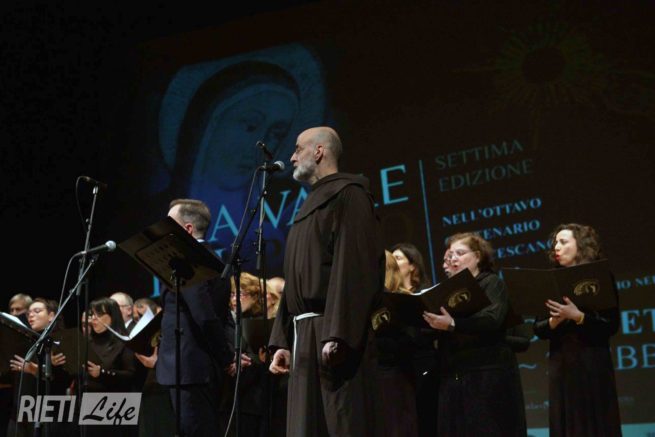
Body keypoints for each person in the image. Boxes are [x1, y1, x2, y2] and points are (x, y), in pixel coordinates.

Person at [268, 126, 384, 436]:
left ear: (319, 151)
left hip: (330, 334)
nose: (292, 157)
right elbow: (295, 279)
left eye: (298, 149)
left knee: (341, 423)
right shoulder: (310, 204)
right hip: (303, 336)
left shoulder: (349, 194)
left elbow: (354, 268)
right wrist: (282, 339)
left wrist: (339, 332)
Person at [423, 232, 526, 436]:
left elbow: (492, 319)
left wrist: (453, 324)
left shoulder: (491, 282)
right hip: (455, 376)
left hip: (486, 376)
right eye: (450, 255)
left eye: (460, 253)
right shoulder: (446, 291)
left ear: (477, 256)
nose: (453, 259)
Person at [156, 198, 235, 437]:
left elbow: (205, 315)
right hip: (196, 368)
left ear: (187, 229)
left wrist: (227, 358)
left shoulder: (190, 261)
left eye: (170, 224)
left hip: (189, 369)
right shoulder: (213, 260)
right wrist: (227, 354)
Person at [533, 224, 621, 436]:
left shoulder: (600, 276)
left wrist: (578, 317)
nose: (556, 247)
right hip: (561, 366)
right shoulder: (551, 280)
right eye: (555, 242)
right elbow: (538, 328)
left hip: (592, 364)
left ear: (580, 245)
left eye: (563, 242)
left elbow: (610, 325)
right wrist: (555, 321)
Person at [7, 298, 68, 437]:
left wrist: (34, 369)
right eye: (29, 313)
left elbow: (61, 381)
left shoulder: (60, 342)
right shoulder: (26, 341)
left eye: (37, 311)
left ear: (51, 316)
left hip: (48, 414)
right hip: (20, 414)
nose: (31, 315)